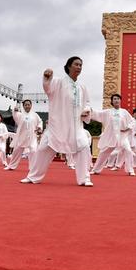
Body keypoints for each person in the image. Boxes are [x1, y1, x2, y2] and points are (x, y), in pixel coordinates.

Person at [21, 57, 93, 186]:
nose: (79, 67)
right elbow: (48, 88)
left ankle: (84, 178)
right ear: (69, 66)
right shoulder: (58, 82)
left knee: (84, 147)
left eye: (81, 65)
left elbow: (87, 102)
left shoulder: (82, 87)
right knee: (43, 149)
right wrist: (47, 77)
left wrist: (86, 110)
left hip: (76, 127)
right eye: (76, 64)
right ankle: (33, 177)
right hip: (58, 126)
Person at [90, 94, 136, 176]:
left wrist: (127, 128)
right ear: (112, 101)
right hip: (111, 136)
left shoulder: (124, 112)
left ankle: (130, 170)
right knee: (103, 152)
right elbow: (97, 114)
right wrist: (89, 109)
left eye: (118, 99)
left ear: (120, 100)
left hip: (122, 136)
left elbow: (132, 121)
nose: (116, 100)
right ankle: (96, 169)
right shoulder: (108, 112)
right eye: (114, 99)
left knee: (128, 150)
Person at [5, 100, 43, 170]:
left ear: (31, 105)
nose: (27, 106)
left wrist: (40, 128)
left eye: (28, 105)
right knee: (16, 151)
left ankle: (33, 168)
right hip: (22, 136)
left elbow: (40, 121)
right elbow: (15, 114)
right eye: (25, 105)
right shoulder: (20, 115)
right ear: (23, 106)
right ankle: (11, 166)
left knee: (33, 150)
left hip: (32, 136)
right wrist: (15, 110)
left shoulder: (35, 115)